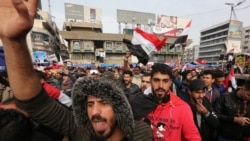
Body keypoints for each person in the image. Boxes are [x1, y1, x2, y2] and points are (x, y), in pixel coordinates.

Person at [0, 1, 152, 141]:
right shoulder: (80, 130)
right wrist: (13, 41)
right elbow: (34, 102)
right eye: (90, 104)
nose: (94, 112)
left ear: (119, 106)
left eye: (104, 102)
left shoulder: (140, 134)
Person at [129, 63, 201, 141]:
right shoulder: (138, 102)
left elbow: (193, 138)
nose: (161, 86)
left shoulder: (182, 108)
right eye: (156, 80)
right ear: (151, 81)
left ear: (170, 82)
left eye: (165, 81)